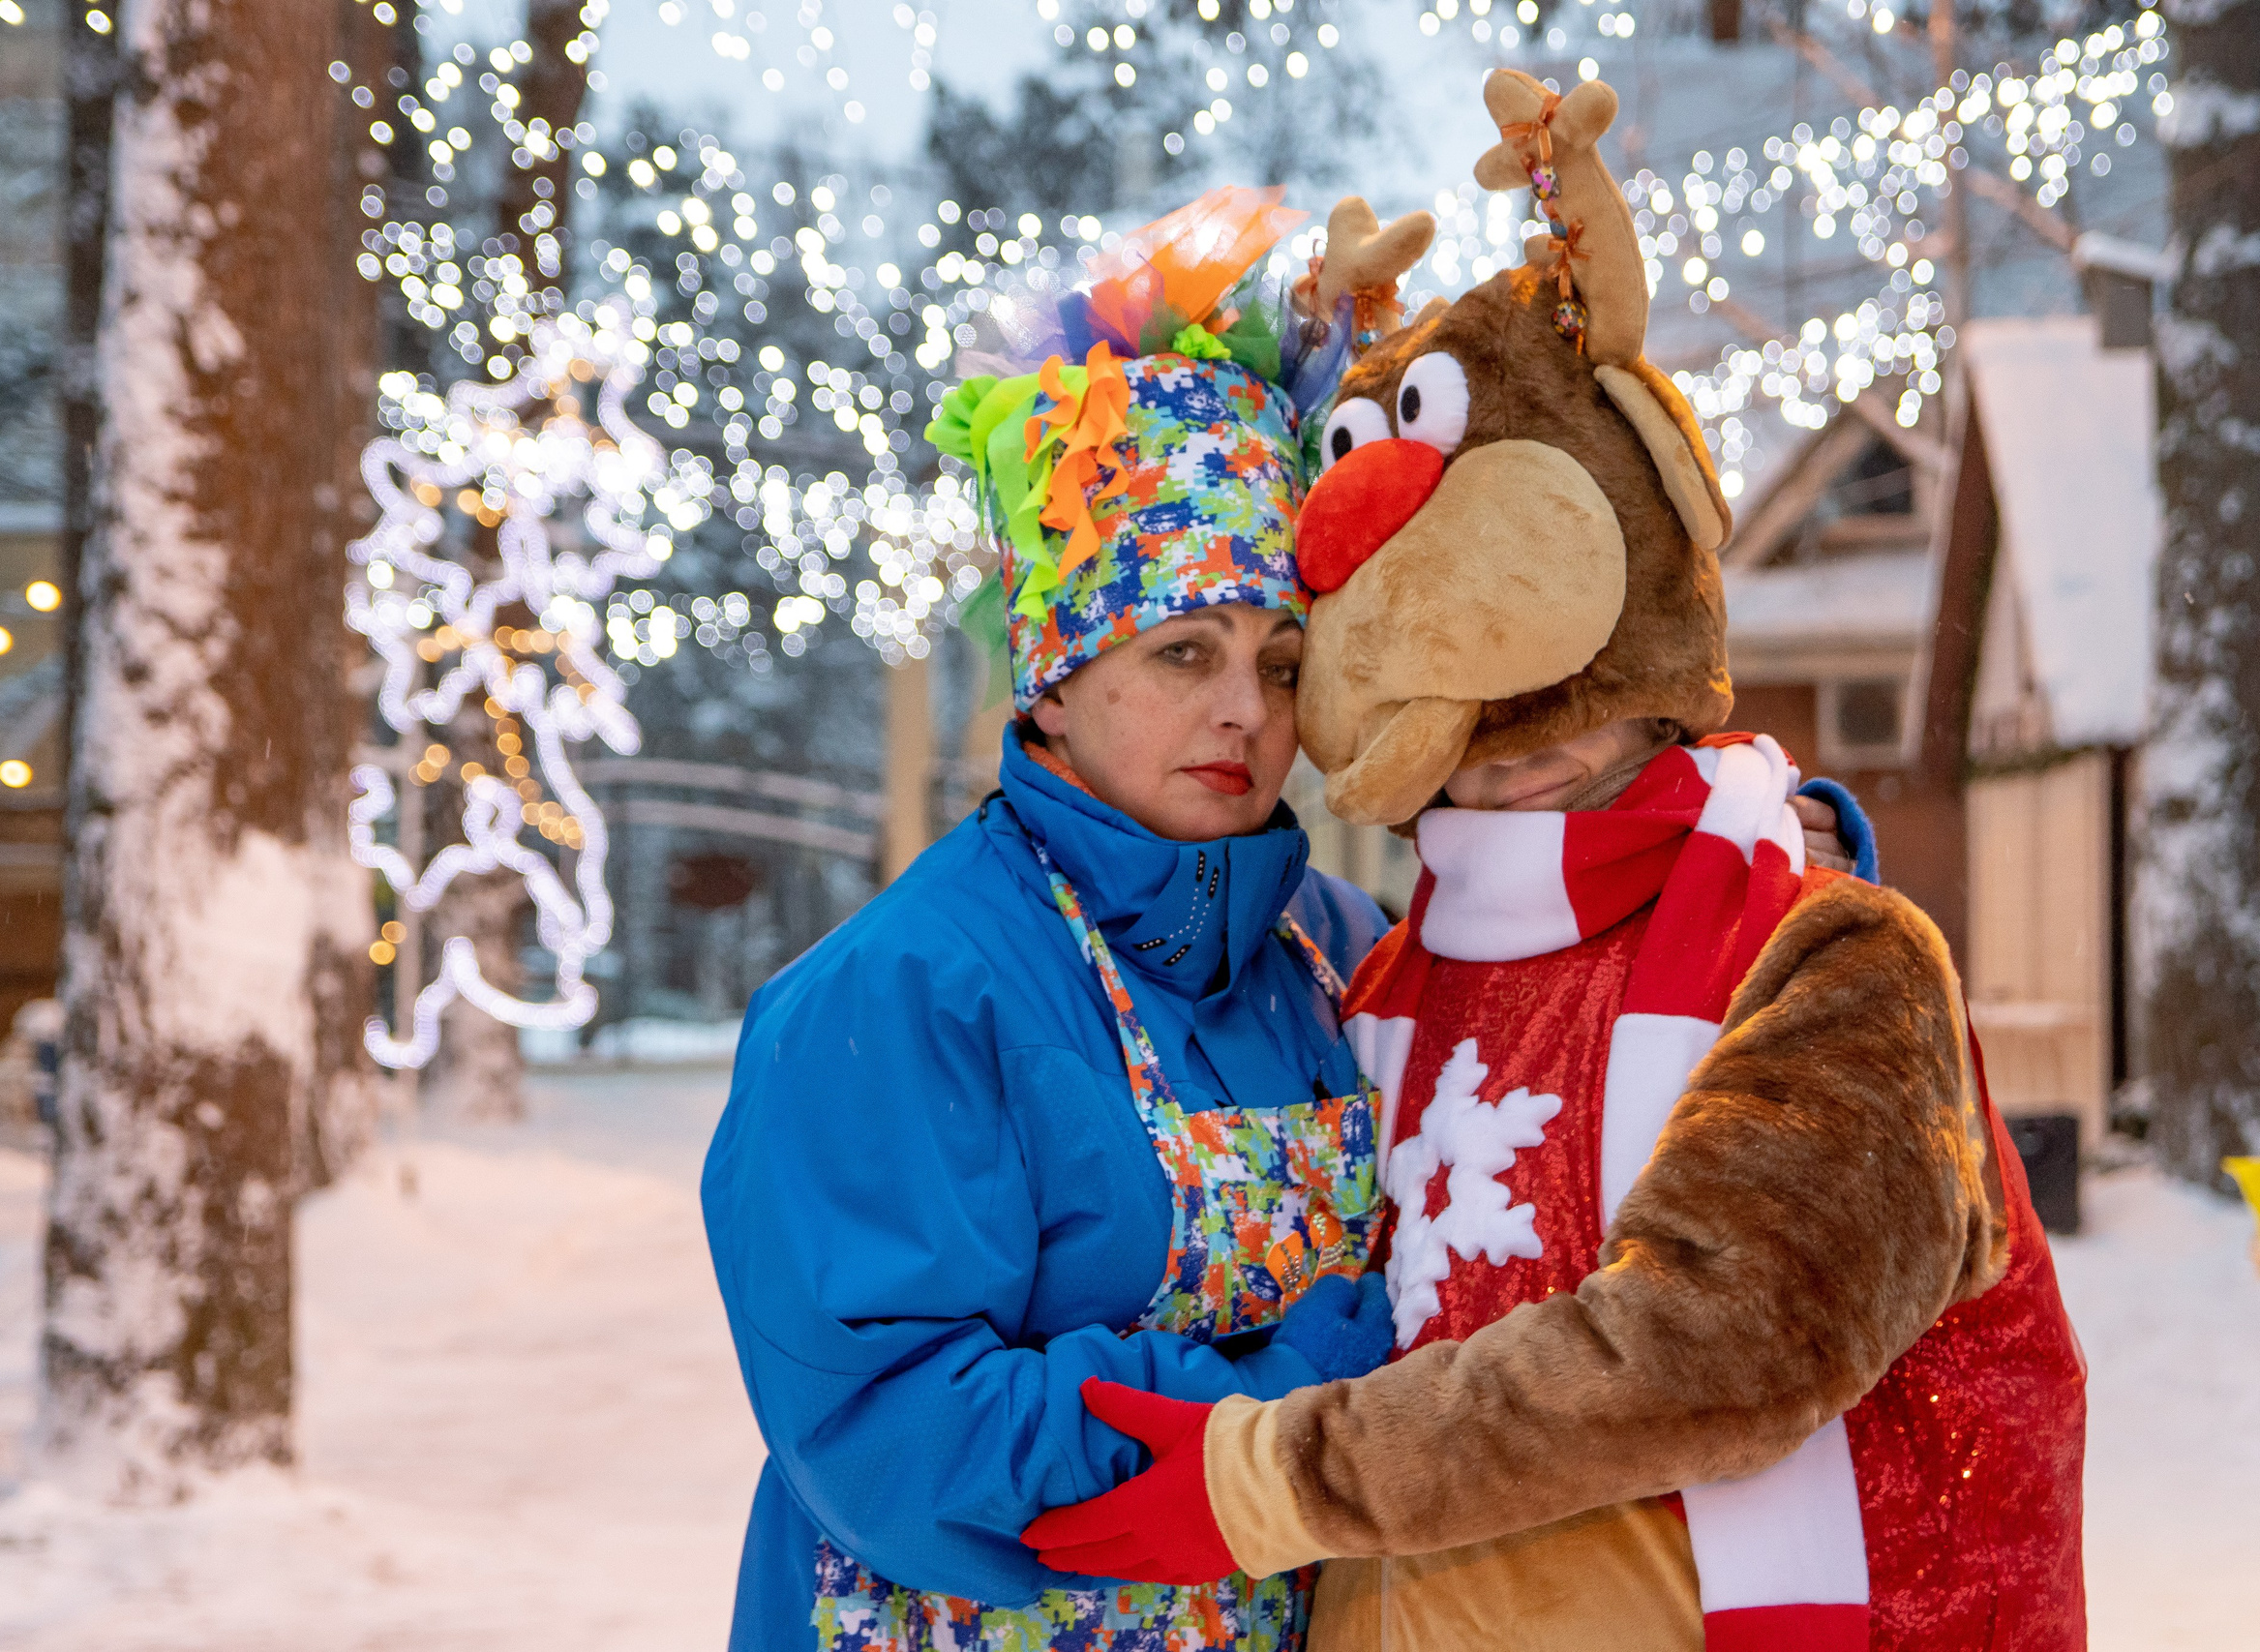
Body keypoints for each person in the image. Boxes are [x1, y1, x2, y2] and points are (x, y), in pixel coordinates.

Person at [704, 185, 1867, 1652]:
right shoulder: (904, 993)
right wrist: (1302, 1415)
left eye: (1280, 652)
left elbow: (1574, 1001)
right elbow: (894, 1432)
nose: (1244, 710)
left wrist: (1758, 846)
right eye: (1182, 652)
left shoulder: (1337, 942)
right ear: (1049, 678)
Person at [1020, 72, 2085, 1652]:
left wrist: (1278, 1476)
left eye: (1558, 708)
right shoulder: (1392, 978)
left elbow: (1725, 1342)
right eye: (1467, 717)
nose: (1516, 748)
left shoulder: (1832, 958)